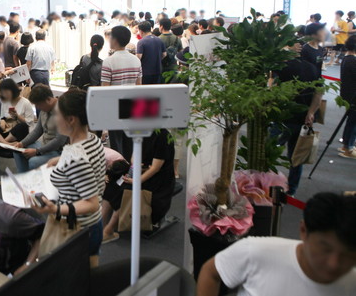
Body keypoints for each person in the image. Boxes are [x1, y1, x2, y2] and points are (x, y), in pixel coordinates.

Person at [197, 192, 356, 296]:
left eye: (348, 255)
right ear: (303, 230)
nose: (333, 264)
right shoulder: (257, 251)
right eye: (325, 249)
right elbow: (211, 272)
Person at [32, 88, 106, 266]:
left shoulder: (76, 157)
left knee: (75, 276)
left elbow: (91, 203)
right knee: (89, 271)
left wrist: (55, 209)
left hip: (78, 228)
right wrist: (59, 160)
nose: (55, 120)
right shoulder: (92, 139)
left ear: (71, 119)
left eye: (58, 115)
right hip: (92, 224)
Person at [101, 129, 175, 243]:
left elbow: (156, 168)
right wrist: (135, 166)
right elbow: (134, 156)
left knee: (126, 191)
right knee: (113, 184)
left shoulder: (163, 136)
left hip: (159, 180)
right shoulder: (141, 131)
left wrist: (136, 180)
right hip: (141, 172)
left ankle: (108, 231)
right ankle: (100, 226)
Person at [274, 40, 323, 196]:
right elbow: (319, 92)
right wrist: (311, 112)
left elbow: (272, 88)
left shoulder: (281, 67)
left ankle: (262, 183)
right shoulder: (312, 68)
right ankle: (292, 190)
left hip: (283, 116)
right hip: (303, 118)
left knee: (269, 149)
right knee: (296, 157)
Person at [101, 26, 142, 154]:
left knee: (116, 146)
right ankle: (129, 166)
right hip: (131, 107)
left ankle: (119, 167)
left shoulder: (108, 62)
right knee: (129, 145)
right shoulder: (136, 60)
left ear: (115, 40)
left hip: (115, 109)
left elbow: (105, 91)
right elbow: (139, 86)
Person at [11, 84, 68, 172]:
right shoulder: (44, 110)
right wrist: (22, 143)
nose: (37, 107)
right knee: (17, 151)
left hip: (59, 151)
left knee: (33, 162)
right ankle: (24, 177)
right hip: (44, 145)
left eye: (38, 104)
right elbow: (37, 131)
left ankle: (32, 178)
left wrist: (37, 151)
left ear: (48, 100)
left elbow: (59, 140)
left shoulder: (63, 111)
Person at [338, 35, 356, 159]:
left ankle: (347, 145)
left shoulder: (347, 58)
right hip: (353, 96)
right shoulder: (352, 61)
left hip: (348, 94)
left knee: (351, 120)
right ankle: (348, 147)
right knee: (353, 122)